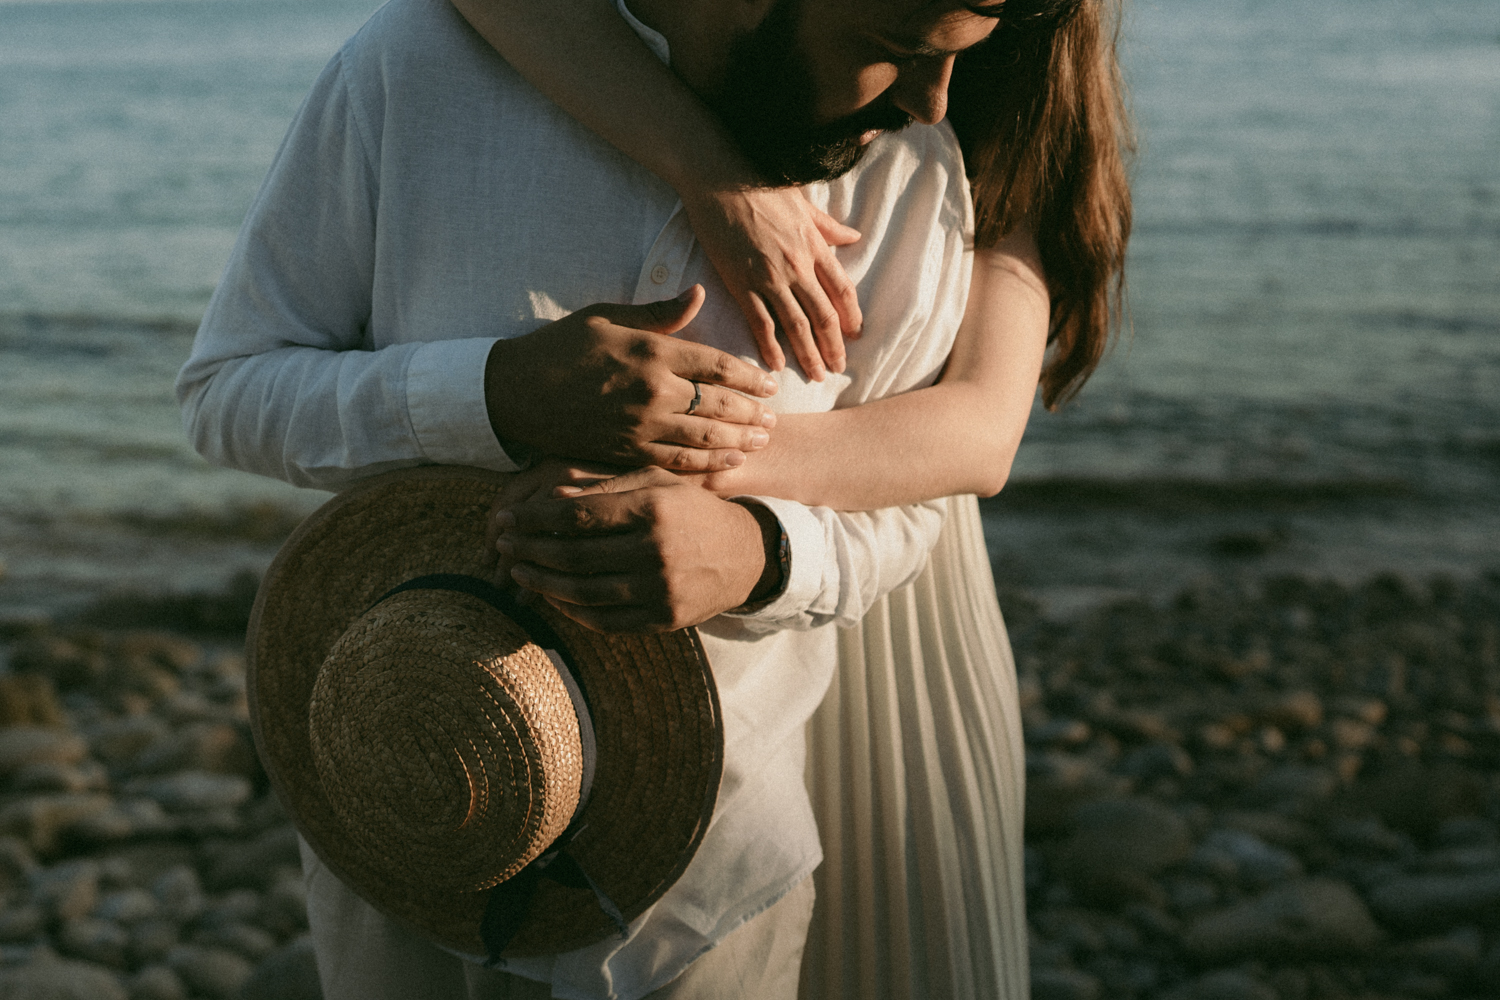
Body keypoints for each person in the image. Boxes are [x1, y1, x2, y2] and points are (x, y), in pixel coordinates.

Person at [171, 0, 1095, 997]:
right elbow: (228, 391)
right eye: (893, 50)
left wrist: (758, 554)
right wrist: (499, 391)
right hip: (402, 839)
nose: (933, 101)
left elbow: (909, 506)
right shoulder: (418, 70)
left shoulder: (911, 177)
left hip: (707, 896)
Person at [449, 0, 1132, 996]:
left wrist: (680, 456)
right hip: (758, 578)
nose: (928, 92)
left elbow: (980, 437)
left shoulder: (1013, 96)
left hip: (884, 547)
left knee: (888, 932)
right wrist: (718, 180)